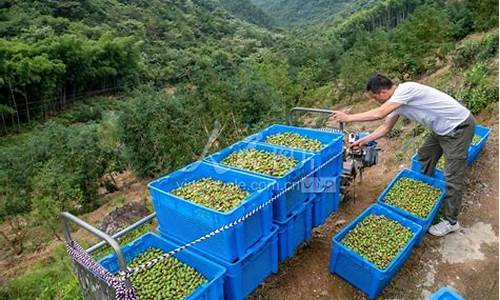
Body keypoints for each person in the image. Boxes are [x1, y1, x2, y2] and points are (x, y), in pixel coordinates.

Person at [330, 74, 475, 237]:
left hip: (458, 127)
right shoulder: (397, 102)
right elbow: (385, 127)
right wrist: (364, 141)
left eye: (374, 98)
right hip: (440, 129)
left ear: (382, 93)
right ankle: (428, 185)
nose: (376, 101)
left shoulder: (407, 89)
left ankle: (451, 221)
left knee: (453, 176)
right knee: (425, 155)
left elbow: (379, 113)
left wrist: (348, 118)